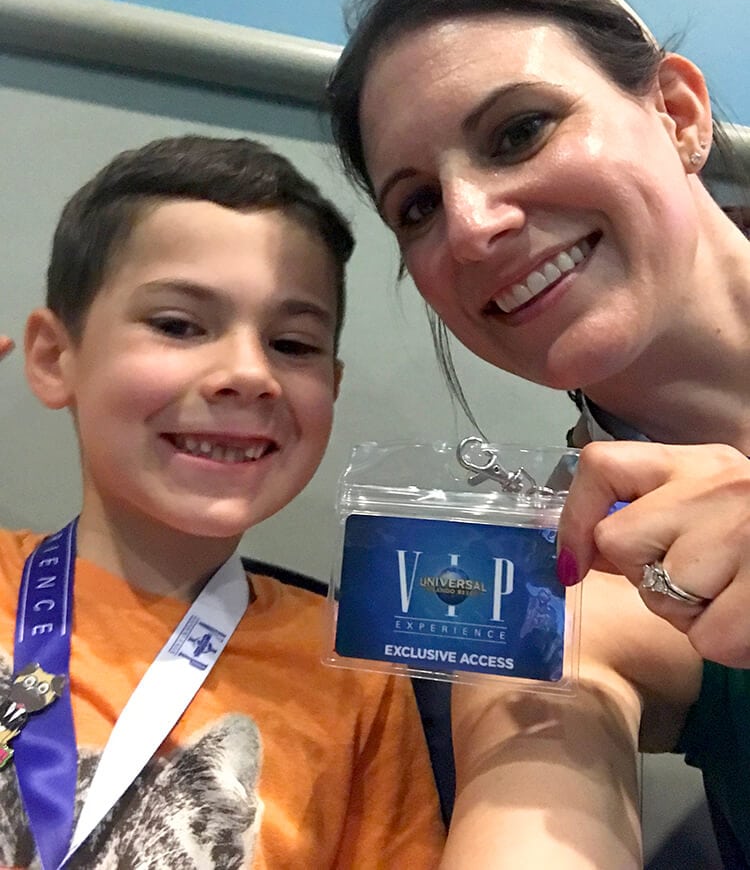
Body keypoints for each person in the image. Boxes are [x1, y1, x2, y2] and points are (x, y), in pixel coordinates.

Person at [327, 0, 750, 868]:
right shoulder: (578, 573)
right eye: (418, 205)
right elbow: (538, 776)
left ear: (677, 115)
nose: (470, 224)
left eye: (519, 131)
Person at [0, 135, 445, 868]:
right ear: (56, 358)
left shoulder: (353, 669)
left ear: (331, 386)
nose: (248, 373)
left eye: (292, 344)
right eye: (177, 325)